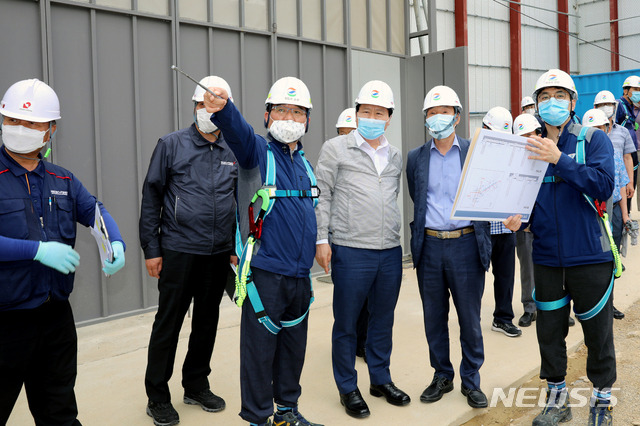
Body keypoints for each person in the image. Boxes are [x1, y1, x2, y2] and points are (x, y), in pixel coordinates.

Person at [0, 79, 126, 425]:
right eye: (13, 120)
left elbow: (94, 211)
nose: (20, 128)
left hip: (54, 317)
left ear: (51, 130)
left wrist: (115, 241)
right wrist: (36, 250)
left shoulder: (63, 179)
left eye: (32, 123)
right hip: (6, 319)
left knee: (59, 410)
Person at [203, 76, 322, 426]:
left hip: (300, 275)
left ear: (307, 120)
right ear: (267, 116)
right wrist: (224, 110)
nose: (289, 118)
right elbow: (238, 132)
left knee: (292, 350)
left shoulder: (304, 163)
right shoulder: (257, 153)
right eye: (281, 110)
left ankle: (286, 411)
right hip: (266, 274)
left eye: (297, 111)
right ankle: (258, 419)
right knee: (258, 353)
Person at [504, 69, 616, 426]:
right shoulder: (525, 146)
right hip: (548, 258)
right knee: (549, 333)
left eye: (559, 95)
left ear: (572, 102)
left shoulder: (592, 140)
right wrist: (517, 218)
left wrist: (559, 159)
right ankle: (558, 401)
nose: (552, 102)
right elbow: (525, 200)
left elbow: (603, 186)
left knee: (598, 335)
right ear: (536, 104)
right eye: (544, 96)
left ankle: (601, 402)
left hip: (590, 257)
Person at [139, 76, 238, 426]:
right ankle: (157, 395)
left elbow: (238, 202)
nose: (206, 112)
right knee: (169, 323)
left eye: (214, 107)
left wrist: (234, 246)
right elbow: (151, 197)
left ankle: (196, 384)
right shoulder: (171, 144)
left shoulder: (232, 150)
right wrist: (152, 248)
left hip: (217, 253)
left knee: (207, 322)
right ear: (194, 107)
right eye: (201, 105)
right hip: (179, 250)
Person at [315, 81, 409, 419]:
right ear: (356, 114)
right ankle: (347, 387)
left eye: (379, 112)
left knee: (382, 320)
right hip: (351, 249)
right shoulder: (335, 148)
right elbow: (321, 195)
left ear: (389, 117)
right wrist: (321, 239)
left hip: (389, 251)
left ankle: (380, 379)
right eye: (365, 111)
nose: (371, 117)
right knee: (347, 322)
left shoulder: (395, 155)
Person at [406, 85, 491, 409]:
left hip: (466, 244)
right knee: (434, 317)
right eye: (431, 113)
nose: (437, 118)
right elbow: (419, 196)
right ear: (426, 119)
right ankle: (442, 375)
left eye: (443, 112)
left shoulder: (473, 152)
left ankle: (471, 381)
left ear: (456, 117)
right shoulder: (416, 157)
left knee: (469, 318)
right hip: (429, 246)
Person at [585, 99, 634, 321]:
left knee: (609, 261)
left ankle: (608, 304)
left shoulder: (613, 154)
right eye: (593, 129)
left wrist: (625, 215)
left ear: (608, 128)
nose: (598, 133)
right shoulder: (578, 156)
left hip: (611, 211)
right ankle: (586, 304)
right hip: (587, 213)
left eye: (602, 128)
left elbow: (622, 186)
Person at [481, 107, 521, 338]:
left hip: (506, 228)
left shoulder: (515, 156)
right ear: (485, 129)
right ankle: (470, 320)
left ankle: (503, 318)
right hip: (480, 228)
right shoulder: (472, 154)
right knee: (474, 278)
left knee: (505, 276)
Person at [334, 106, 368, 362]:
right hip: (342, 240)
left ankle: (363, 342)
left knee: (368, 299)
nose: (346, 137)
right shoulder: (333, 156)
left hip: (366, 240)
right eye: (342, 133)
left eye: (350, 132)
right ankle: (348, 342)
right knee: (347, 299)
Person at [512, 114, 541, 328]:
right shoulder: (512, 162)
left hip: (549, 224)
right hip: (524, 225)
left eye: (530, 135)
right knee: (527, 268)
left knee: (556, 268)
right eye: (522, 136)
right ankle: (529, 308)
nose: (527, 140)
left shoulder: (550, 157)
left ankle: (557, 308)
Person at [615, 75, 640, 214]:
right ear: (626, 90)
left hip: (632, 156)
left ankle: (627, 214)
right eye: (636, 89)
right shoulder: (619, 105)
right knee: (623, 189)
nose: (638, 92)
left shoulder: (631, 107)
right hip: (622, 157)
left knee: (631, 188)